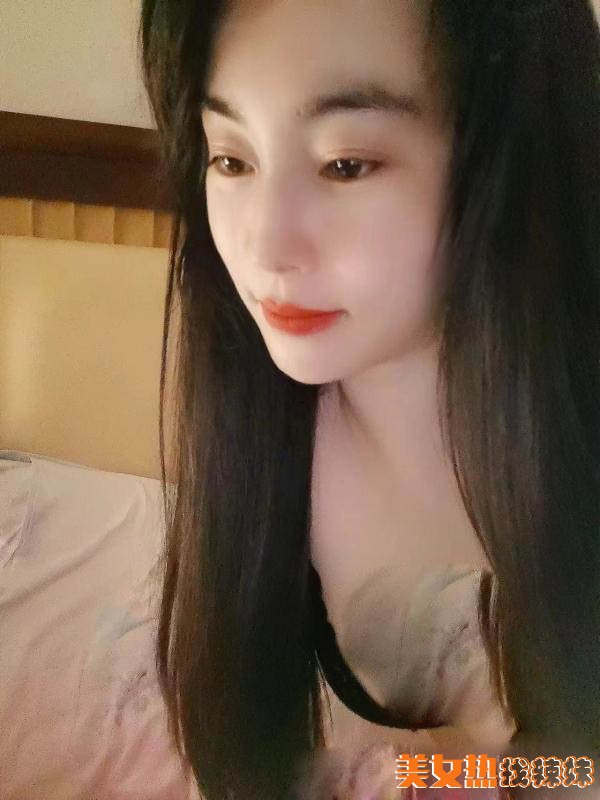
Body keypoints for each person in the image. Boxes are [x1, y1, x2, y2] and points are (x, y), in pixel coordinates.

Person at [138, 1, 600, 798]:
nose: (265, 246)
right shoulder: (261, 426)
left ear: (512, 159)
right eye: (232, 159)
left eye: (346, 164)